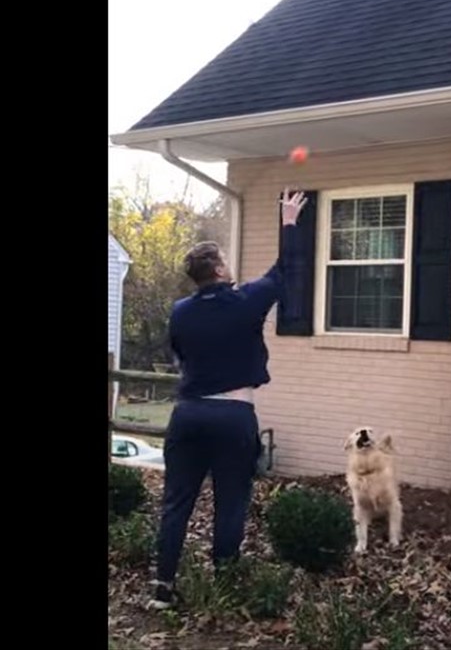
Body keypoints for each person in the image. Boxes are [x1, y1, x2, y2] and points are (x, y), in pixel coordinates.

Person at [149, 189, 308, 608]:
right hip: (232, 414)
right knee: (230, 500)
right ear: (219, 269)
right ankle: (223, 581)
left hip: (187, 414)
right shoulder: (244, 302)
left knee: (176, 502)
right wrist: (288, 221)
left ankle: (162, 588)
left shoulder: (181, 311)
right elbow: (285, 269)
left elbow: (178, 353)